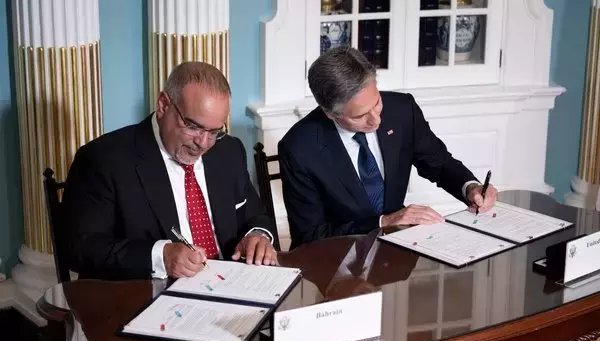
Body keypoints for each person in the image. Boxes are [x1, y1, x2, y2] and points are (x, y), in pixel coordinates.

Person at [62, 62, 277, 280]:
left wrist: (257, 236)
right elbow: (80, 248)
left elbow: (255, 214)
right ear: (164, 104)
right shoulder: (105, 159)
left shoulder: (228, 150)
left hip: (230, 284)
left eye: (214, 131)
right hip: (149, 297)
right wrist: (161, 257)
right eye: (193, 127)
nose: (203, 143)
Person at [278, 46, 497, 249]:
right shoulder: (299, 148)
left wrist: (470, 188)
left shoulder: (402, 110)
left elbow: (438, 163)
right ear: (330, 113)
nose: (376, 120)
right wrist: (383, 222)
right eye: (361, 115)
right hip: (339, 261)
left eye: (377, 103)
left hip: (401, 251)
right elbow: (309, 237)